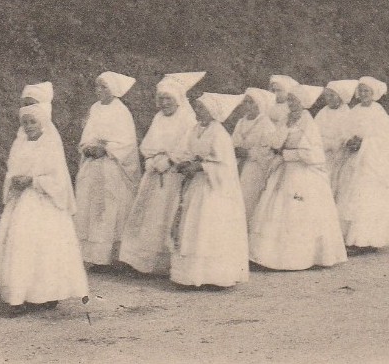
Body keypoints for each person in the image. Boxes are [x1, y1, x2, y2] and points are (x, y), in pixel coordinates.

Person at [0, 95, 89, 314]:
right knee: (20, 245)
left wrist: (34, 180)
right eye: (25, 122)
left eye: (33, 122)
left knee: (45, 248)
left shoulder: (50, 144)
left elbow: (58, 180)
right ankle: (18, 297)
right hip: (22, 202)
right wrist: (14, 180)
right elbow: (12, 170)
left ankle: (45, 294)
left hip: (44, 203)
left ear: (42, 122)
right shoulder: (19, 144)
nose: (29, 126)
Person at [249, 84, 347, 270]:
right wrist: (279, 139)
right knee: (275, 208)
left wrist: (288, 155)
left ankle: (303, 257)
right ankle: (270, 256)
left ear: (303, 103)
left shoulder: (308, 122)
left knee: (298, 209)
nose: (290, 103)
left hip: (302, 173)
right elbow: (274, 140)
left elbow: (313, 154)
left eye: (294, 100)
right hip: (283, 170)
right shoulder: (285, 119)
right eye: (290, 100)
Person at [119, 72, 203, 275]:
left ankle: (165, 264)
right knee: (148, 215)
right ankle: (141, 261)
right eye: (161, 99)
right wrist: (150, 158)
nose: (164, 103)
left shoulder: (188, 119)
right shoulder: (158, 118)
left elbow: (188, 146)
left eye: (169, 99)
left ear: (178, 99)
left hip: (174, 175)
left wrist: (171, 160)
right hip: (154, 174)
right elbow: (148, 143)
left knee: (169, 214)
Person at [169, 93, 250, 288]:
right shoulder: (195, 129)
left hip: (213, 189)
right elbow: (186, 150)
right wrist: (184, 162)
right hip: (196, 186)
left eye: (201, 108)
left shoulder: (219, 133)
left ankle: (215, 276)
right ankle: (189, 275)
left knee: (209, 226)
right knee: (192, 225)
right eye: (197, 107)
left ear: (212, 112)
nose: (197, 112)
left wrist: (200, 167)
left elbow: (225, 165)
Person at [75, 71, 142, 266]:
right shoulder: (95, 109)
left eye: (104, 87)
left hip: (111, 165)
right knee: (91, 207)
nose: (99, 90)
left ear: (113, 90)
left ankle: (113, 258)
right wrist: (87, 146)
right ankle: (95, 258)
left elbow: (127, 142)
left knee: (110, 208)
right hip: (93, 166)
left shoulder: (121, 111)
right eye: (97, 86)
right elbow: (88, 133)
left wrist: (106, 149)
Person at [335, 77, 389, 249]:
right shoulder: (354, 111)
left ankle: (369, 239)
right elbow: (344, 130)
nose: (362, 94)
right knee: (350, 192)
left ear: (373, 93)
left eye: (366, 91)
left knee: (369, 196)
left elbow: (385, 140)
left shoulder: (379, 112)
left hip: (372, 162)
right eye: (360, 91)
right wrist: (349, 141)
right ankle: (350, 236)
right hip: (354, 159)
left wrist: (365, 142)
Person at [231, 87, 279, 222]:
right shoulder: (241, 122)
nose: (248, 106)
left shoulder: (266, 124)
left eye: (251, 102)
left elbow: (269, 152)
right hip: (238, 165)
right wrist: (235, 149)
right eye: (245, 102)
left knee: (248, 200)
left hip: (255, 168)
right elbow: (233, 141)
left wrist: (249, 153)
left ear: (259, 104)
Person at [315, 79, 358, 195]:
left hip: (339, 155)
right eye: (327, 95)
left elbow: (348, 134)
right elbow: (314, 132)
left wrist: (339, 143)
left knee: (336, 183)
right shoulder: (322, 113)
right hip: (322, 153)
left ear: (340, 96)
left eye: (332, 95)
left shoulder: (347, 113)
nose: (329, 98)